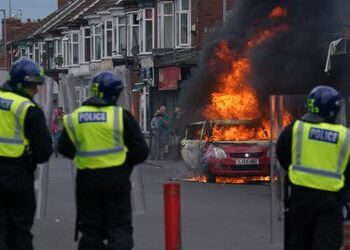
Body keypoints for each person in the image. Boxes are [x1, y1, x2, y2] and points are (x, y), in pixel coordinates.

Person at [58, 71, 149, 250]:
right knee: (119, 229)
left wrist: (85, 153)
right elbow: (141, 151)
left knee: (91, 232)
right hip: (116, 179)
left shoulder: (75, 118)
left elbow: (64, 149)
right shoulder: (121, 116)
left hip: (87, 181)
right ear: (114, 94)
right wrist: (124, 164)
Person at [276, 85, 350, 250]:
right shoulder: (344, 135)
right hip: (330, 201)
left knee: (297, 244)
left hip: (299, 199)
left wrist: (295, 171)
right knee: (326, 244)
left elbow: (282, 153)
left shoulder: (296, 128)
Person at [0, 58, 52, 250]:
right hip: (17, 176)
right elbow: (43, 152)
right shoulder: (27, 109)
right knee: (19, 231)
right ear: (22, 85)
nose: (36, 91)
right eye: (33, 87)